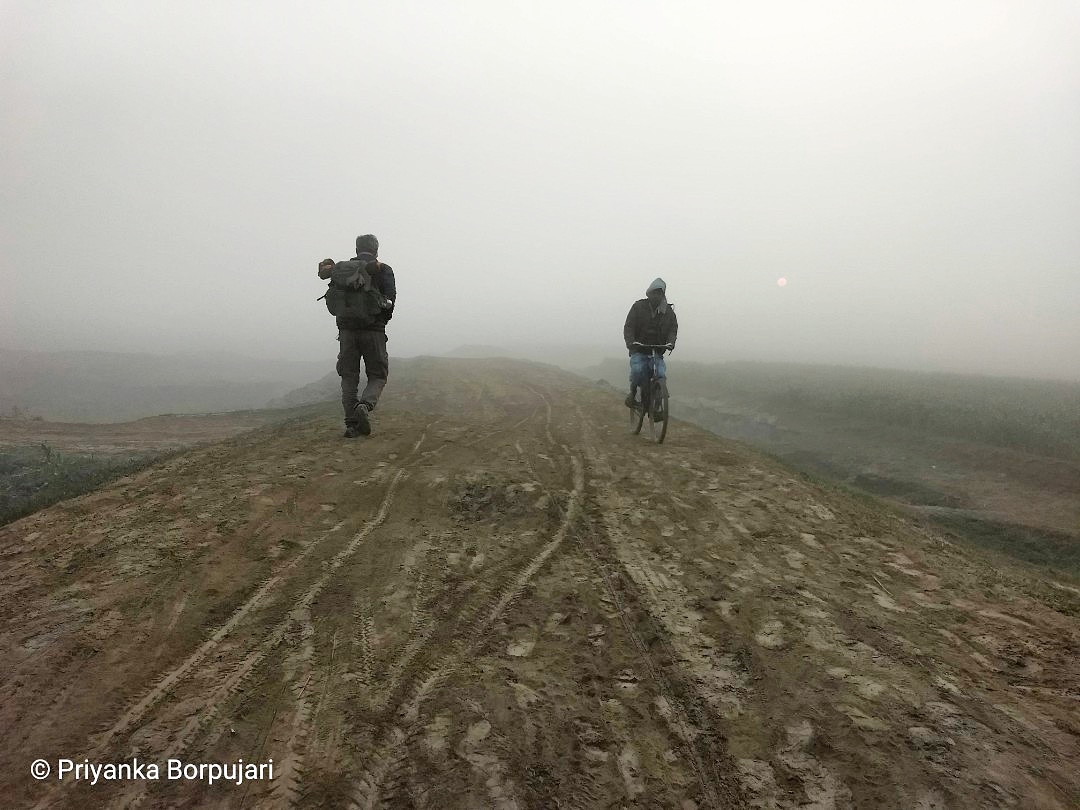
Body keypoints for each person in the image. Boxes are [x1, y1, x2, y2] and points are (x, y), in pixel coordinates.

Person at [317, 234, 396, 438]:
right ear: (376, 249)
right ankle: (365, 406)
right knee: (378, 375)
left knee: (349, 376)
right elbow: (391, 300)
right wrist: (381, 320)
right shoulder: (383, 269)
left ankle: (352, 424)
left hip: (346, 331)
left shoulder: (342, 270)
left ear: (356, 249)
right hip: (374, 331)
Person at [623, 277, 678, 408]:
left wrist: (671, 342)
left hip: (657, 350)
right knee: (637, 370)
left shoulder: (668, 312)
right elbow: (629, 326)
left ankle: (658, 407)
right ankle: (633, 393)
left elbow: (672, 329)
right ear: (649, 293)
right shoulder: (638, 307)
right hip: (639, 349)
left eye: (659, 293)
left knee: (660, 373)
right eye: (654, 293)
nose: (656, 296)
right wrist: (631, 342)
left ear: (663, 295)